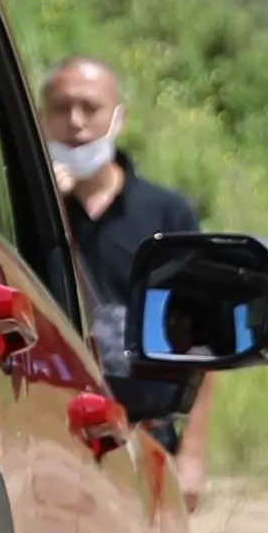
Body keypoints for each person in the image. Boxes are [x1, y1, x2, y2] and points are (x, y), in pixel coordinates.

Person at [34, 56, 209, 445]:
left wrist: (193, 453)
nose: (76, 122)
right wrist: (47, 205)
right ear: (41, 118)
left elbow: (201, 338)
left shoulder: (167, 212)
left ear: (118, 118)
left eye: (90, 109)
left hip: (143, 434)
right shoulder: (24, 208)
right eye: (62, 109)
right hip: (46, 427)